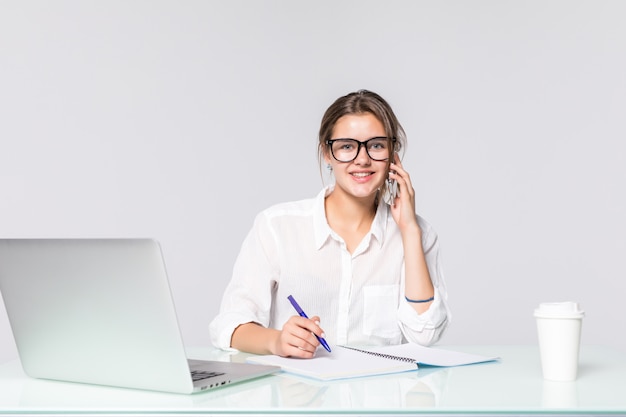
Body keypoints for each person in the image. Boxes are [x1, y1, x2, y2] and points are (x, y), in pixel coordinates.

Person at [209, 89, 450, 358]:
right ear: (327, 153)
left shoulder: (418, 235)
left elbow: (425, 334)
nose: (362, 159)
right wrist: (276, 341)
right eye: (347, 146)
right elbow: (228, 326)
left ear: (393, 155)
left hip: (381, 393)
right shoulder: (276, 228)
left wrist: (409, 231)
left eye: (377, 145)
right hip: (299, 393)